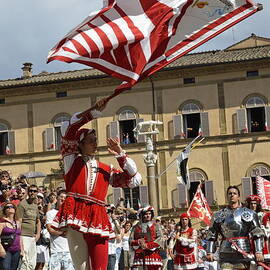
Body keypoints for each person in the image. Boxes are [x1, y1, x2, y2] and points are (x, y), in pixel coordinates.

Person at [51, 98, 142, 270]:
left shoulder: (105, 169)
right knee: (82, 266)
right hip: (76, 213)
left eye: (95, 139)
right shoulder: (71, 161)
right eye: (91, 140)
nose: (95, 143)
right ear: (80, 144)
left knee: (100, 267)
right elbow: (68, 128)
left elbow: (135, 179)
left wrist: (120, 153)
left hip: (98, 216)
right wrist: (93, 111)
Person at [206, 185, 264, 270]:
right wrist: (209, 252)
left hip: (243, 251)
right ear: (227, 196)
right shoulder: (218, 215)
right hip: (225, 252)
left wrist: (258, 251)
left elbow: (257, 233)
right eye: (230, 193)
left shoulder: (250, 213)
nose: (232, 195)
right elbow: (211, 234)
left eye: (234, 193)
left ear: (238, 196)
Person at [46, 190, 74, 270]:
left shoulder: (70, 214)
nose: (63, 199)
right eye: (61, 197)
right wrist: (63, 232)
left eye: (65, 198)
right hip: (55, 251)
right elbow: (50, 229)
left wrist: (60, 232)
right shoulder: (50, 213)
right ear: (57, 198)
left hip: (68, 251)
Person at [129, 205, 163, 270]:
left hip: (152, 254)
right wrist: (138, 242)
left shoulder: (156, 226)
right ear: (142, 215)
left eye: (149, 214)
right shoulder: (136, 227)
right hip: (139, 255)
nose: (148, 216)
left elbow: (160, 239)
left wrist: (148, 245)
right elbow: (130, 240)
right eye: (146, 214)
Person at [16, 184, 41, 270]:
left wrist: (38, 234)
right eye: (31, 191)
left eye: (34, 191)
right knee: (24, 263)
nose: (32, 193)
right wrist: (19, 237)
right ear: (27, 192)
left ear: (37, 192)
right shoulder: (22, 204)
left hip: (32, 237)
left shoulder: (35, 206)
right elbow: (19, 221)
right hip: (23, 236)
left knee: (32, 263)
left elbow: (38, 221)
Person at [0, 202, 22, 270]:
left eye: (12, 207)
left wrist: (22, 250)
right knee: (6, 268)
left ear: (15, 209)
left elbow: (20, 237)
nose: (10, 208)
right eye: (7, 207)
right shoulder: (2, 222)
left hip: (17, 250)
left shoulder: (18, 223)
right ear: (4, 210)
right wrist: (1, 249)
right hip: (6, 250)